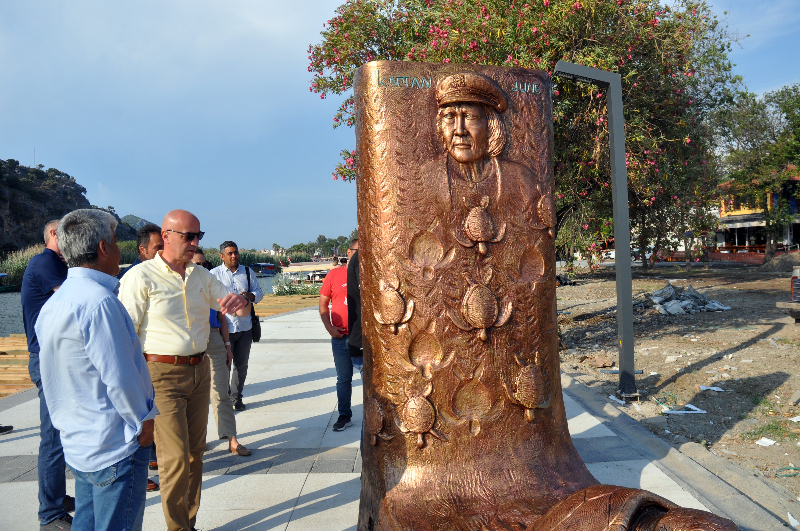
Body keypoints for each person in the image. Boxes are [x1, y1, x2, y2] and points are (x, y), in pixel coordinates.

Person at [119, 210, 247, 531]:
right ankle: (177, 528)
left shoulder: (200, 275)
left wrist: (238, 303)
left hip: (199, 370)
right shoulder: (141, 276)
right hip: (160, 375)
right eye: (188, 236)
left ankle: (188, 523)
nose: (194, 243)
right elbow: (125, 335)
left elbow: (233, 304)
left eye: (198, 237)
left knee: (195, 454)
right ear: (166, 236)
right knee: (174, 458)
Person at [36, 209, 157, 531]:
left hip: (80, 442)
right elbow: (120, 377)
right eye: (116, 242)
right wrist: (144, 423)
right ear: (104, 248)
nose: (120, 251)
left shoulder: (55, 304)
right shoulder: (100, 303)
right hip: (114, 445)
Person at [21, 219, 74, 529]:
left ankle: (56, 496)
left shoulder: (52, 263)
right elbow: (73, 301)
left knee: (60, 437)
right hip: (48, 360)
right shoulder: (46, 263)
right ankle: (50, 514)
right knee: (53, 439)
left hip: (55, 358)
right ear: (55, 234)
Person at [191, 251, 251, 456]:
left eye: (203, 263)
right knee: (195, 394)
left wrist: (227, 346)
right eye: (196, 263)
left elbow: (223, 317)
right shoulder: (181, 286)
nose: (201, 267)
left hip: (214, 338)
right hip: (189, 340)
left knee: (220, 391)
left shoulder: (210, 284)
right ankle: (196, 440)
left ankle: (231, 439)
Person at [210, 241, 263, 412]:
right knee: (223, 366)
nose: (234, 256)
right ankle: (225, 399)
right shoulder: (213, 274)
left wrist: (249, 296)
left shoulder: (247, 272)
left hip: (245, 327)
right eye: (230, 253)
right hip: (223, 329)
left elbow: (259, 292)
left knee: (241, 365)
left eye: (236, 252)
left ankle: (236, 397)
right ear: (222, 256)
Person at [319, 255, 356, 431]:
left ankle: (373, 416)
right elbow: (323, 305)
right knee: (343, 379)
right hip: (341, 337)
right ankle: (344, 415)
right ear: (349, 252)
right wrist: (329, 327)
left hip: (363, 337)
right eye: (356, 249)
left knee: (370, 380)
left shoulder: (368, 274)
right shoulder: (333, 275)